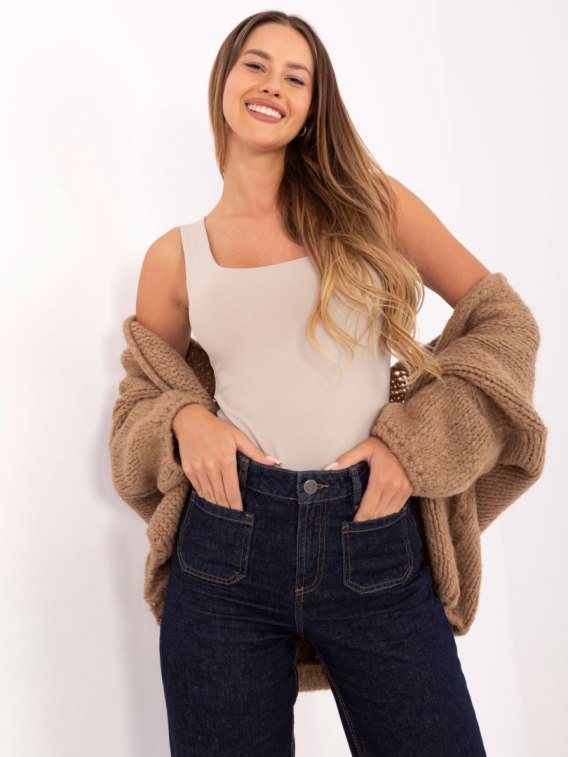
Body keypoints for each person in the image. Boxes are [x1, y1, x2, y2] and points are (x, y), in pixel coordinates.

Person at [110, 10, 546, 757]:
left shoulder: (374, 205)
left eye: (296, 77)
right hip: (226, 546)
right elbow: (139, 399)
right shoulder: (174, 257)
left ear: (313, 105)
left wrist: (411, 446)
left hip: (372, 533)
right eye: (255, 65)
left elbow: (505, 320)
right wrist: (186, 418)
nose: (271, 86)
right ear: (224, 80)